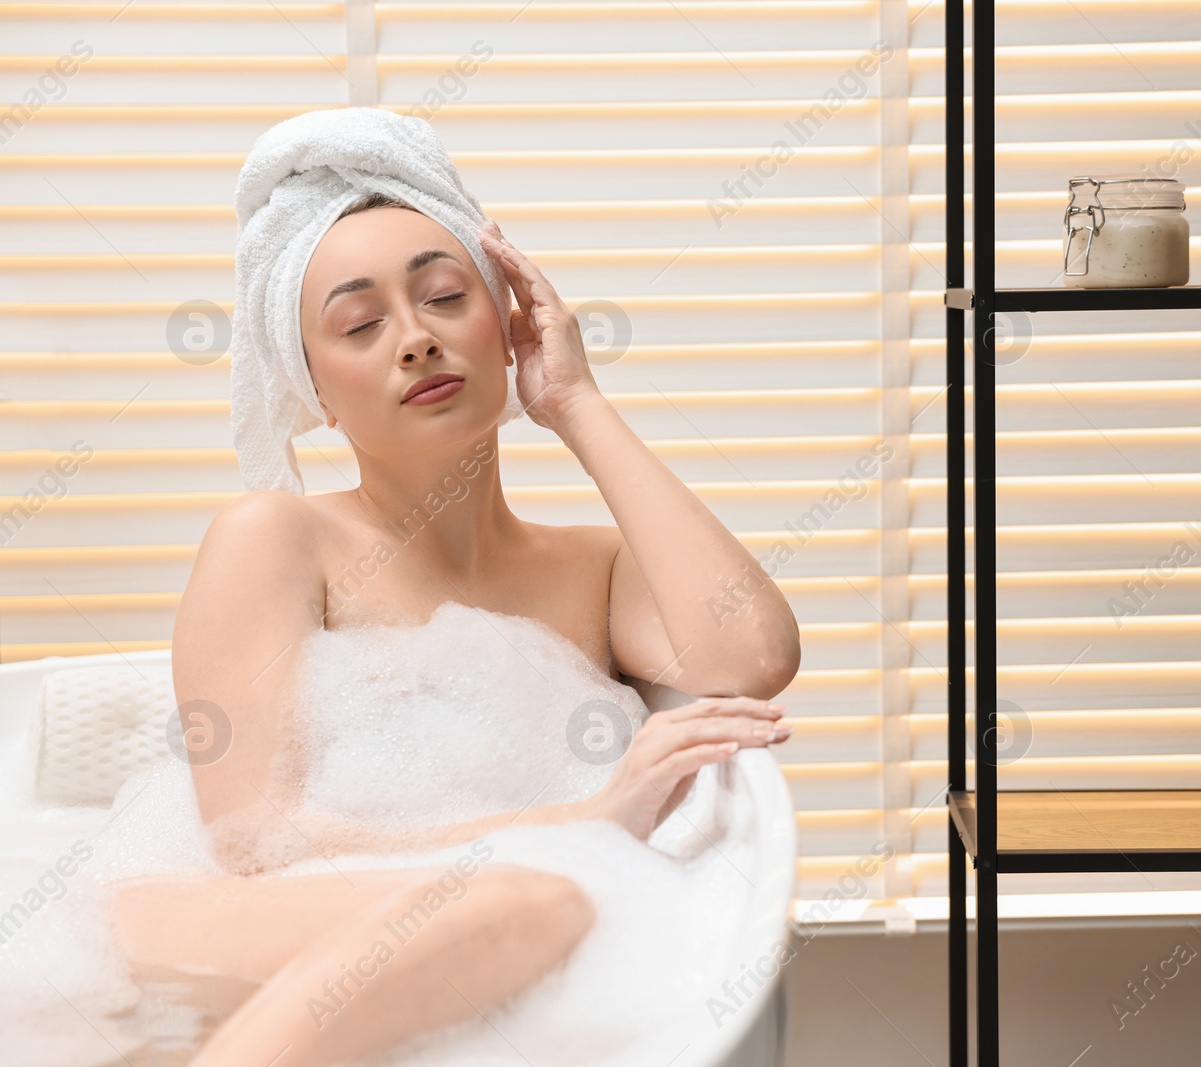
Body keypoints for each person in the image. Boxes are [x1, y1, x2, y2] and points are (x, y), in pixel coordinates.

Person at [107, 193, 803, 1067]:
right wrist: (584, 822)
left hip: (449, 951)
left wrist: (575, 400)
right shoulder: (277, 538)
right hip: (211, 941)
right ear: (313, 389)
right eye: (360, 323)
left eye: (444, 297)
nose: (415, 338)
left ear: (505, 324)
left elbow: (756, 656)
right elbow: (252, 842)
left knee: (532, 902)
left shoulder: (592, 569)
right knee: (531, 902)